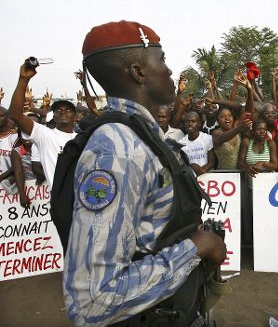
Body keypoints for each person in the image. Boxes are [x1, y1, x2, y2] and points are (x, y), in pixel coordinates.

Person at [62, 20, 226, 326]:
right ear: (138, 72)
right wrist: (196, 248)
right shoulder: (116, 151)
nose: (170, 71)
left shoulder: (143, 135)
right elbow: (93, 300)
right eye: (162, 61)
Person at [8, 68, 77, 188]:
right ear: (53, 117)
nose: (63, 112)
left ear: (75, 117)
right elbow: (15, 115)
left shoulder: (82, 138)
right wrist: (23, 80)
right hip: (61, 202)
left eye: (68, 110)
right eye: (58, 110)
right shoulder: (44, 135)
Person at [179, 111, 216, 175]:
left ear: (199, 124)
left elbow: (211, 163)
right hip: (191, 178)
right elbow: (182, 165)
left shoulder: (208, 138)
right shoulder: (180, 143)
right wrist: (192, 169)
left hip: (208, 177)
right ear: (184, 124)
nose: (190, 124)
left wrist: (200, 170)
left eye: (193, 121)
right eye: (187, 121)